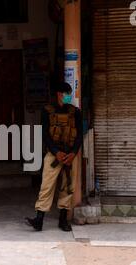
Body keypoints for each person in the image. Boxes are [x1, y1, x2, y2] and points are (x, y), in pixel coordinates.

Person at [26, 82, 83, 232]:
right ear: (59, 94)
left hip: (71, 155)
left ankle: (63, 220)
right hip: (53, 155)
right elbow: (45, 134)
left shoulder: (75, 112)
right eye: (66, 93)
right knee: (46, 186)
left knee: (68, 187)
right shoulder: (47, 111)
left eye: (69, 93)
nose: (68, 96)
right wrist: (56, 152)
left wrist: (73, 153)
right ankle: (39, 219)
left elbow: (79, 136)